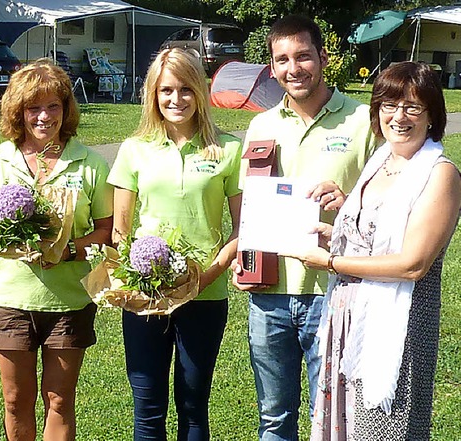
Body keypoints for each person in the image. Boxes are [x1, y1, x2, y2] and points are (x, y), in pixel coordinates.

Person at [283, 61, 461, 440]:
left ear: (432, 115)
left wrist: (330, 261)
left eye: (413, 107)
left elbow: (413, 264)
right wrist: (336, 236)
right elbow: (377, 239)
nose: (399, 117)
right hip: (349, 320)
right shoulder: (381, 161)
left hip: (398, 326)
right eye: (388, 105)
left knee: (383, 429)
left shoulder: (440, 173)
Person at [231, 15, 378, 440]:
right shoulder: (262, 125)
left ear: (323, 57)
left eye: (303, 56)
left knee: (330, 419)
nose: (293, 68)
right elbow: (252, 210)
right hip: (269, 296)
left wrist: (350, 203)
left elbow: (390, 202)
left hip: (336, 289)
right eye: (282, 60)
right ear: (272, 68)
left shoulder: (361, 121)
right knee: (274, 419)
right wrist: (245, 261)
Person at [0, 59, 113, 441]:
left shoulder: (90, 163)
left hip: (70, 300)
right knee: (15, 400)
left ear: (66, 108)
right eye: (33, 108)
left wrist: (68, 250)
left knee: (60, 399)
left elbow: (107, 232)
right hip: (11, 297)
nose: (44, 116)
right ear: (18, 112)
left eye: (53, 106)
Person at [108, 48, 243, 440]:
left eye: (186, 89)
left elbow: (242, 227)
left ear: (200, 91)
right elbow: (120, 230)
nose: (176, 99)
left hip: (205, 294)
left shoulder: (228, 149)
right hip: (145, 297)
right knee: (147, 408)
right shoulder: (135, 149)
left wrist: (206, 276)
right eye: (167, 90)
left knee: (193, 406)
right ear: (153, 94)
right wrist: (131, 280)